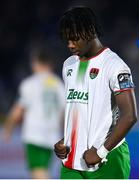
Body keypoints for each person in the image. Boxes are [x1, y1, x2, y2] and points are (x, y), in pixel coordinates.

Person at [54, 6, 138, 179]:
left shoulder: (115, 65)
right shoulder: (69, 64)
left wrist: (100, 152)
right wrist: (66, 139)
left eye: (74, 39)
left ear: (90, 31)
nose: (70, 45)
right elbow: (79, 108)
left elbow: (130, 116)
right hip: (72, 162)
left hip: (107, 160)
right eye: (67, 40)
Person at [3, 48, 65, 179]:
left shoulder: (30, 84)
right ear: (50, 64)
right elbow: (64, 112)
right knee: (42, 170)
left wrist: (8, 128)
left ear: (35, 63)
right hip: (52, 134)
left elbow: (18, 111)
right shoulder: (59, 84)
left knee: (38, 172)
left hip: (34, 135)